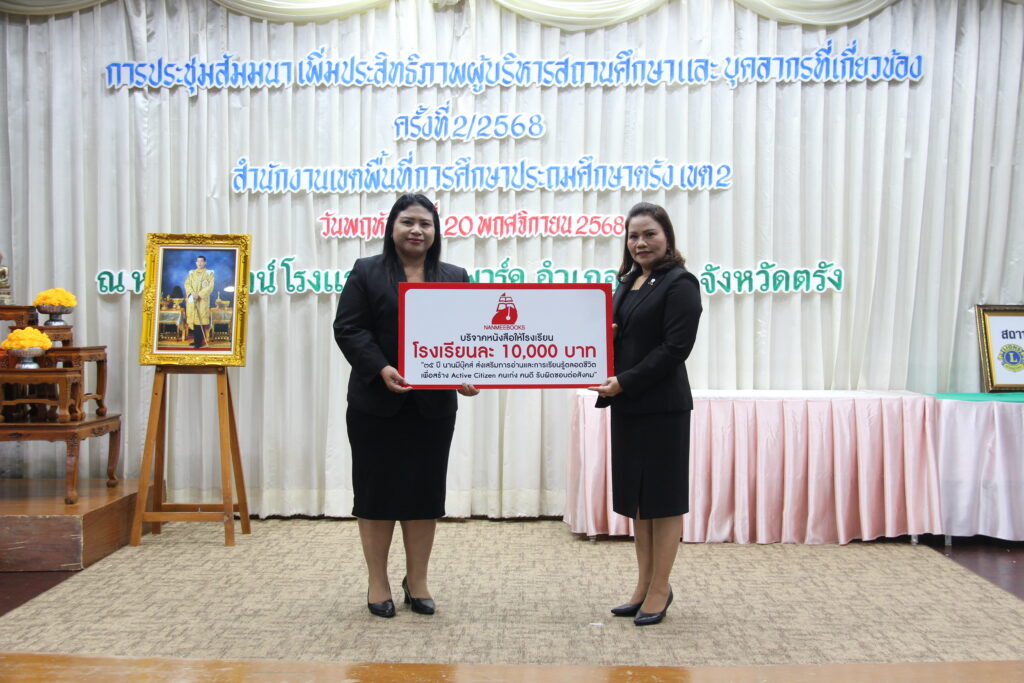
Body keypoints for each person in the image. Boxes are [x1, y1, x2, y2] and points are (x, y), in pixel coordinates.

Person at [333, 194, 479, 618]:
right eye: (408, 222)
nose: (417, 230)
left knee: (423, 495)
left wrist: (467, 372)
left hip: (433, 408)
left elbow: (469, 335)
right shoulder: (366, 271)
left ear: (436, 231)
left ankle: (417, 581)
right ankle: (377, 582)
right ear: (392, 227)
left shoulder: (455, 277)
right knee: (375, 494)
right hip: (375, 405)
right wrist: (380, 368)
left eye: (425, 224)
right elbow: (349, 328)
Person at [589, 202, 702, 626]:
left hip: (662, 409)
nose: (640, 242)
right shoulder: (628, 281)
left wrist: (625, 381)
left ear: (667, 237)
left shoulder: (680, 283)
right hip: (630, 406)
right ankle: (643, 584)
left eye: (649, 234)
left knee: (663, 501)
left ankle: (661, 588)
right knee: (639, 502)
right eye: (633, 236)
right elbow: (624, 337)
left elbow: (674, 349)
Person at [184, 255, 214, 348]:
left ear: (205, 262)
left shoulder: (209, 273)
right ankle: (196, 340)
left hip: (202, 300)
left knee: (199, 321)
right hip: (192, 299)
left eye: (201, 261)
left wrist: (199, 294)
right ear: (196, 263)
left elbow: (210, 286)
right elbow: (187, 284)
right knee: (193, 321)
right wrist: (192, 293)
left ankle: (199, 342)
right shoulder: (191, 273)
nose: (199, 263)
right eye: (198, 261)